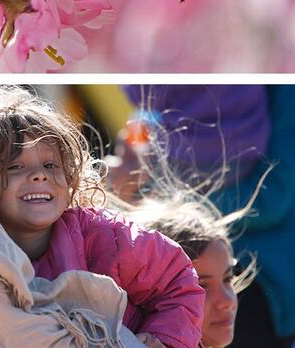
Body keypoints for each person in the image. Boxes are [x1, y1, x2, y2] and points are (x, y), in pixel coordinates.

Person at [0, 85, 204, 348]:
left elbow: (179, 280)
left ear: (71, 177)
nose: (39, 176)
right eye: (16, 167)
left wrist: (165, 340)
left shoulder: (103, 236)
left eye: (51, 166)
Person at [120, 85, 295, 348]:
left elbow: (273, 196)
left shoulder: (282, 87)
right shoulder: (162, 92)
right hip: (185, 281)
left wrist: (147, 193)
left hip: (262, 284)